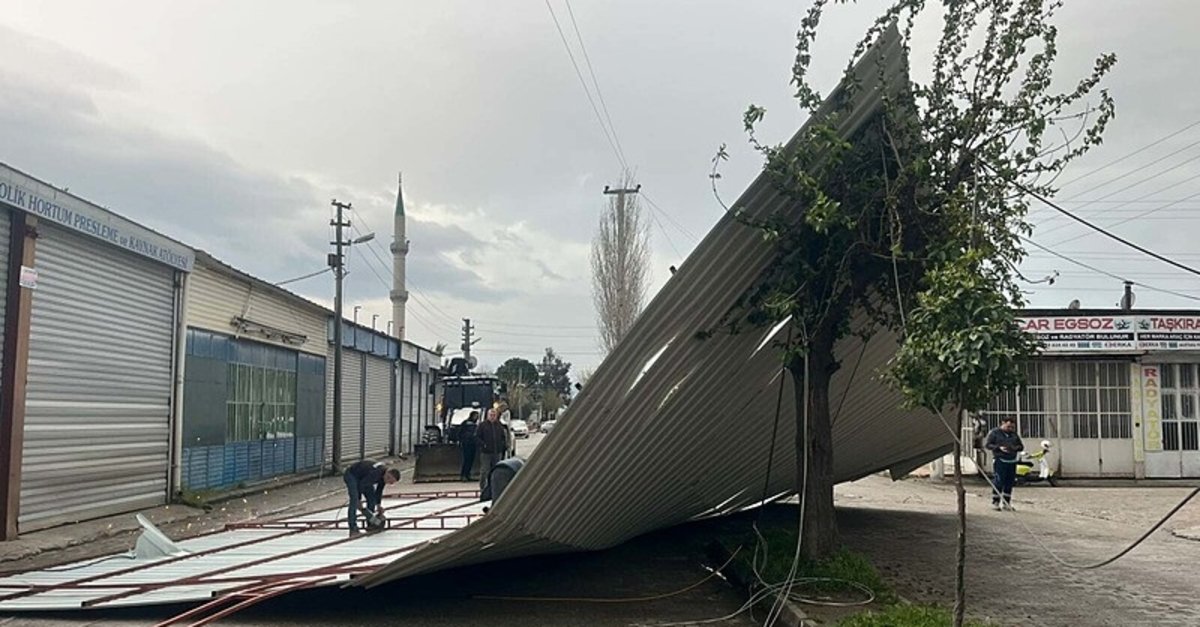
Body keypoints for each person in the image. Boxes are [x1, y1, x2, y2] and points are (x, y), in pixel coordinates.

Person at [343, 459, 400, 536]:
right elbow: (361, 485)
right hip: (352, 475)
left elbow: (379, 490)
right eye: (389, 481)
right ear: (388, 474)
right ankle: (353, 529)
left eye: (391, 483)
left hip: (364, 478)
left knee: (372, 499)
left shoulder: (384, 476)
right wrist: (359, 500)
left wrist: (378, 505)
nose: (388, 483)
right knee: (354, 501)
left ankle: (371, 523)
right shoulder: (376, 473)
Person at [985, 418, 1024, 511]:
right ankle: (995, 502)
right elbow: (988, 445)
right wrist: (999, 448)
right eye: (1008, 426)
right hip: (1000, 460)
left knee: (1009, 482)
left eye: (1012, 427)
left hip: (1012, 461)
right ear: (1002, 424)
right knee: (999, 481)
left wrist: (1014, 448)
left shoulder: (1014, 435)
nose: (1010, 428)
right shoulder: (995, 433)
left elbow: (1021, 446)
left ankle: (1007, 502)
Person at [475, 408, 508, 490]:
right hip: (486, 453)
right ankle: (483, 488)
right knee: (485, 471)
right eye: (491, 415)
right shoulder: (482, 425)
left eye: (494, 415)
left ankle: (495, 488)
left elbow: (503, 437)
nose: (492, 417)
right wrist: (483, 445)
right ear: (487, 416)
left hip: (497, 452)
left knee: (496, 471)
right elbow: (477, 437)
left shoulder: (499, 425)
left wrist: (503, 446)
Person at [458, 410, 480, 481]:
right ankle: (463, 474)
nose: (476, 417)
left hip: (473, 444)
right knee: (467, 459)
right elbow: (460, 433)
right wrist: (462, 440)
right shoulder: (466, 423)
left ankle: (467, 474)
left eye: (477, 416)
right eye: (475, 416)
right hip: (466, 444)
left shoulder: (476, 425)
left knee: (471, 460)